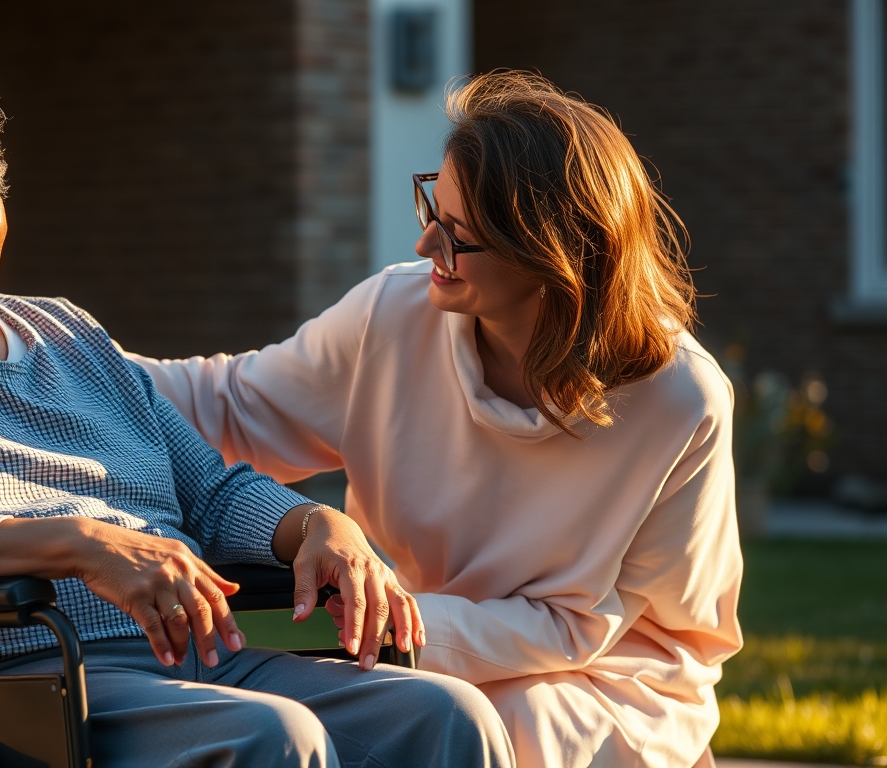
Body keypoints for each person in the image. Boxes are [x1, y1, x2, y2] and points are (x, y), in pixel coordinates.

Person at [0, 48, 514, 768]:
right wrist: (81, 544)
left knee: (447, 715)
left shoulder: (68, 331)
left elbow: (210, 491)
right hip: (13, 684)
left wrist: (319, 525)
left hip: (192, 664)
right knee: (272, 738)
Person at [131, 71, 743, 768]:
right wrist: (54, 349)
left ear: (551, 257)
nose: (425, 247)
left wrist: (401, 619)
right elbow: (229, 404)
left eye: (457, 235)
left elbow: (599, 624)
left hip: (618, 677)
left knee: (485, 729)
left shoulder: (679, 401)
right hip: (424, 650)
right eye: (432, 210)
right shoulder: (394, 317)